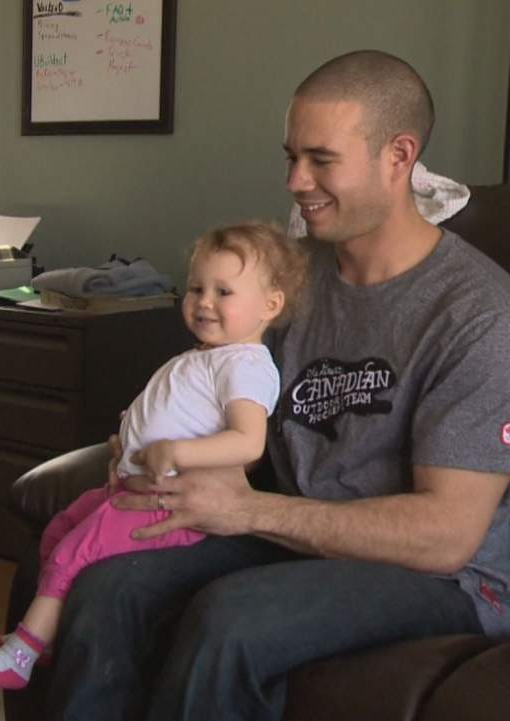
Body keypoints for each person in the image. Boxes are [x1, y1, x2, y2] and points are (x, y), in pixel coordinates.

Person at [39, 50, 510, 721]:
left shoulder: (479, 315)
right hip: (299, 520)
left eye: (321, 159)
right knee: (106, 584)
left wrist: (250, 511)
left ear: (399, 156)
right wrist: (149, 444)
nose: (296, 180)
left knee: (232, 621)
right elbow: (224, 392)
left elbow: (447, 534)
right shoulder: (294, 282)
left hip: (446, 574)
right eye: (290, 155)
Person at [0, 222, 307, 690]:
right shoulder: (206, 356)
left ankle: (21, 653)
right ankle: (48, 636)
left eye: (224, 291)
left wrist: (175, 449)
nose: (204, 302)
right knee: (58, 530)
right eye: (197, 287)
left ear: (271, 305)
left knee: (73, 553)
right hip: (124, 485)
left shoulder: (246, 366)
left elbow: (247, 442)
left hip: (165, 506)